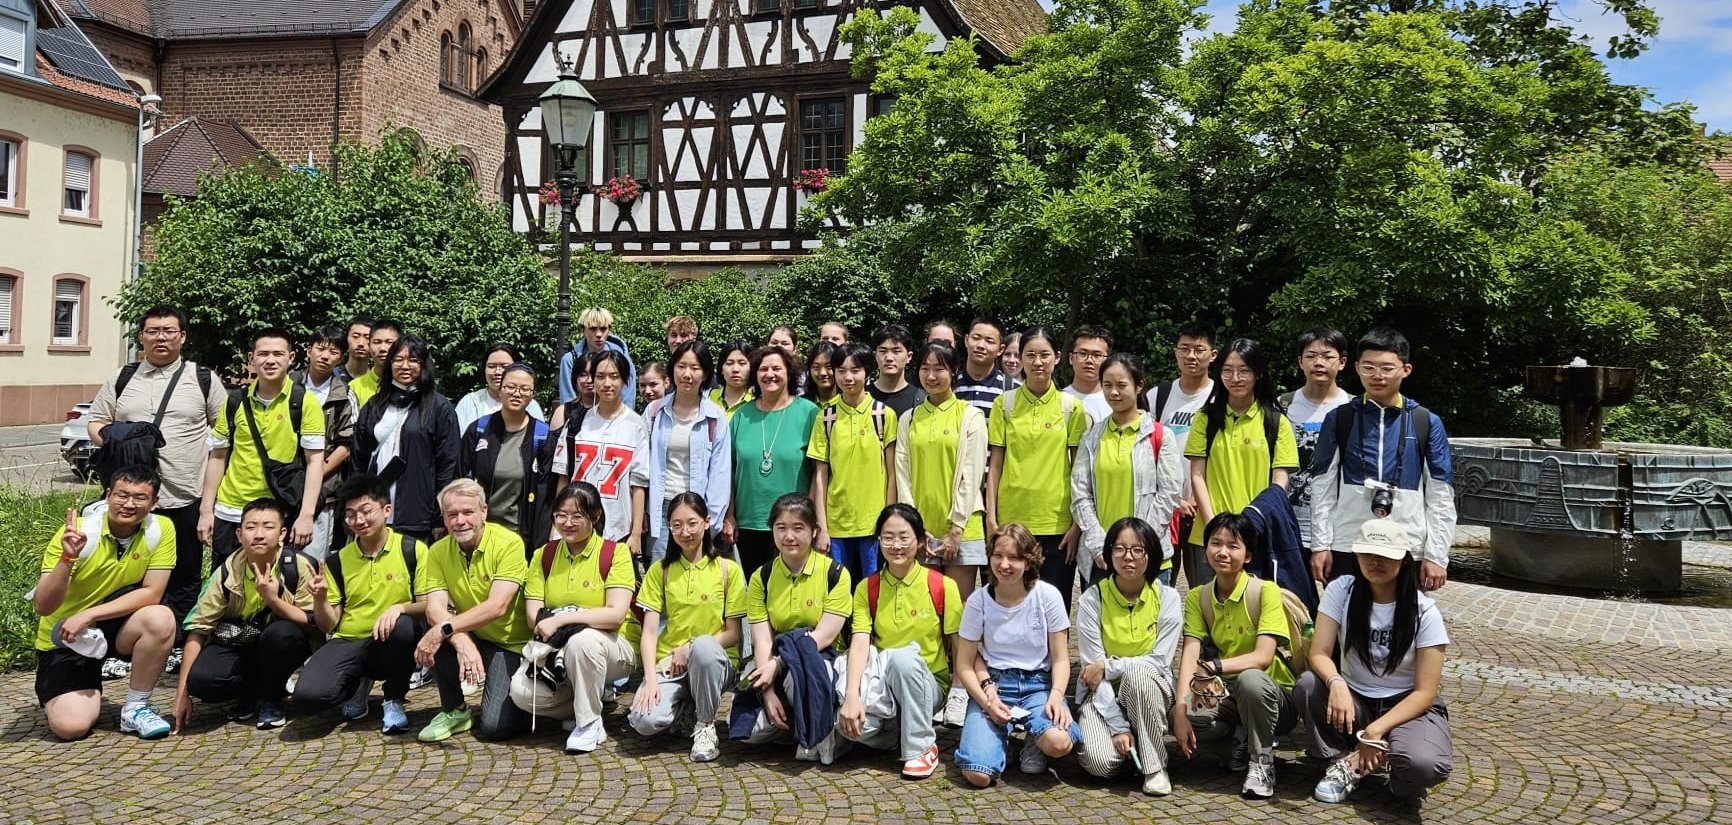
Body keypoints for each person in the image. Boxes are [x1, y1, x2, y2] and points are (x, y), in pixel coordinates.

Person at [85, 304, 225, 643]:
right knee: (128, 573)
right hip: (131, 499)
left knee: (185, 573)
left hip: (183, 495)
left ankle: (176, 640)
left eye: (168, 331)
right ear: (141, 337)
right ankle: (125, 641)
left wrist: (209, 506)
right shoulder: (122, 377)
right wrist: (120, 436)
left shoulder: (202, 378)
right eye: (153, 331)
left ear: (182, 337)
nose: (160, 337)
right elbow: (95, 422)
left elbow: (224, 437)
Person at [1297, 518, 1452, 804]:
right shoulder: (1341, 590)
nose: (1375, 562)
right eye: (1367, 553)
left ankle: (1390, 766)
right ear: (1355, 555)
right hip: (1356, 700)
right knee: (1308, 685)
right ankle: (1344, 762)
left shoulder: (1424, 611)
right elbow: (1318, 651)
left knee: (1423, 766)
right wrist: (1336, 683)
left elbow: (1426, 692)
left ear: (1404, 560)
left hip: (1405, 707)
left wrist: (1375, 731)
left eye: (1385, 556)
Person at [32, 465, 178, 741]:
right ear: (108, 495)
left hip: (112, 628)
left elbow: (152, 593)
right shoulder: (78, 533)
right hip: (66, 635)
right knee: (70, 727)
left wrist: (89, 614)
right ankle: (69, 687)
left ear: (154, 503)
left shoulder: (161, 529)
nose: (129, 504)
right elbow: (43, 606)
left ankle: (135, 708)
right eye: (122, 495)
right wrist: (67, 558)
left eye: (140, 497)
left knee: (160, 617)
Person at [1309, 328, 1455, 591]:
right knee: (1344, 620)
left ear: (1406, 369)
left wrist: (1436, 555)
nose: (1377, 376)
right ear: (1356, 368)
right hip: (1348, 541)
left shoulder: (1425, 422)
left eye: (1387, 368)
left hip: (1406, 542)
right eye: (1368, 368)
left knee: (1402, 623)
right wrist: (1321, 545)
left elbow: (1440, 493)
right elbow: (1323, 486)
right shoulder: (1340, 419)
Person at [1172, 513, 1299, 800]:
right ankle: (1238, 740)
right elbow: (1190, 654)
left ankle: (1261, 761)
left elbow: (1263, 657)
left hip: (1275, 697)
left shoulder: (1265, 591)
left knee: (1250, 679)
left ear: (1249, 555)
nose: (1222, 552)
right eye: (1215, 543)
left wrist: (1214, 666)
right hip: (1228, 695)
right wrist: (1180, 709)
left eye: (1233, 545)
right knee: (1178, 716)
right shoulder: (1197, 597)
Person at [508, 482, 641, 754]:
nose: (567, 523)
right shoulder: (542, 555)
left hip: (615, 647)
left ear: (595, 517)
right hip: (557, 651)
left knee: (584, 641)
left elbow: (615, 615)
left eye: (577, 516)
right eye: (560, 515)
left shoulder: (615, 554)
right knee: (521, 692)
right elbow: (534, 615)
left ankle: (589, 723)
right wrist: (553, 622)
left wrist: (561, 620)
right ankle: (589, 699)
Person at [291, 474, 426, 735]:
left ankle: (393, 698)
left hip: (391, 640)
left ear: (387, 510)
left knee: (406, 628)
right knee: (308, 698)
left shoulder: (412, 549)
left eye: (366, 511)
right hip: (349, 639)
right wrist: (319, 598)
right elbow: (329, 623)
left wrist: (399, 608)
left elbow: (427, 604)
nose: (359, 521)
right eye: (351, 515)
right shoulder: (337, 561)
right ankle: (357, 685)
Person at [838, 504, 962, 779]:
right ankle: (898, 731)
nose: (896, 545)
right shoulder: (866, 588)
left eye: (904, 537)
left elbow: (960, 644)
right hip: (882, 686)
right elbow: (859, 642)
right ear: (878, 541)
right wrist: (852, 696)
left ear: (919, 542)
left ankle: (920, 748)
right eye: (888, 537)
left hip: (928, 685)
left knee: (903, 657)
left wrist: (961, 690)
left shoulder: (942, 585)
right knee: (852, 727)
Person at [172, 498, 318, 731]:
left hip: (284, 643)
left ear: (282, 534)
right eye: (251, 527)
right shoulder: (226, 572)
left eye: (268, 527)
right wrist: (182, 694)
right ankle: (251, 692)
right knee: (202, 681)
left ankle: (272, 697)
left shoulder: (298, 566)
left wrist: (272, 599)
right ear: (239, 534)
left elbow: (314, 623)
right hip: (239, 642)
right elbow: (198, 630)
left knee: (282, 634)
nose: (259, 534)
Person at [953, 524, 1081, 786]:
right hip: (995, 685)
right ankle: (1000, 740)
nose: (1004, 564)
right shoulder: (979, 601)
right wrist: (987, 701)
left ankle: (1036, 738)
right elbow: (964, 663)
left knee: (1058, 743)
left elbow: (1060, 658)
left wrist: (1056, 696)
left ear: (1029, 560)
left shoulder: (1048, 596)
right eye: (998, 556)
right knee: (977, 775)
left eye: (1014, 558)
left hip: (1038, 684)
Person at [629, 493, 747, 761]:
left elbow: (733, 634)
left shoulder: (728, 570)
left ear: (706, 523)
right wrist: (649, 680)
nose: (685, 532)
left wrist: (691, 647)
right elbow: (649, 633)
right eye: (677, 525)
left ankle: (705, 725)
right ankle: (685, 711)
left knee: (704, 647)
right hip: (671, 663)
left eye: (692, 523)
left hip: (715, 662)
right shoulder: (661, 570)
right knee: (643, 721)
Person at [735, 493, 852, 760]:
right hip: (775, 659)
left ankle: (816, 730)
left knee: (795, 674)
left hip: (823, 658)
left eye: (798, 528)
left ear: (814, 532)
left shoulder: (836, 573)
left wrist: (778, 665)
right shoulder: (761, 577)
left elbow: (823, 637)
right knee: (750, 732)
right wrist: (767, 691)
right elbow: (762, 639)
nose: (789, 536)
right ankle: (802, 726)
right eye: (781, 528)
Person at [414, 480, 533, 742]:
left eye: (467, 512)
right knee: (431, 629)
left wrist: (448, 628)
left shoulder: (509, 544)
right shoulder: (437, 551)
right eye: (452, 514)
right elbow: (435, 607)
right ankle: (454, 709)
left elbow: (497, 606)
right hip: (473, 635)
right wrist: (460, 641)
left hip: (510, 644)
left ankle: (526, 703)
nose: (460, 521)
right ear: (443, 518)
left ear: (484, 512)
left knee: (494, 728)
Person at [198, 328, 327, 567]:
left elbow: (315, 462)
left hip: (277, 514)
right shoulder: (235, 401)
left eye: (278, 354)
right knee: (225, 587)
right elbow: (217, 457)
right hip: (231, 511)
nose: (270, 360)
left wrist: (306, 514)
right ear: (251, 359)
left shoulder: (304, 402)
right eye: (263, 353)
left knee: (274, 589)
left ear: (291, 358)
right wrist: (207, 510)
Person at [1073, 517, 1183, 795]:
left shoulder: (1168, 598)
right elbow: (1092, 675)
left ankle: (1155, 767)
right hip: (1103, 697)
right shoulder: (1091, 599)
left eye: (1138, 549)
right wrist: (1119, 727)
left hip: (1150, 690)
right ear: (1108, 554)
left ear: (1151, 554)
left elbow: (1159, 661)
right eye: (1119, 549)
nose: (1128, 557)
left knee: (1138, 673)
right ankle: (1138, 744)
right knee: (1100, 763)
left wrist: (1110, 666)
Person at [987, 327, 1088, 611]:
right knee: (1010, 602)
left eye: (1044, 355)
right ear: (1020, 359)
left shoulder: (1071, 407)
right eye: (1030, 355)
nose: (1037, 362)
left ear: (1057, 358)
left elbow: (1080, 471)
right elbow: (995, 465)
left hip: (1057, 524)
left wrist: (1076, 525)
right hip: (1012, 520)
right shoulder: (1004, 405)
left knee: (1054, 605)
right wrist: (992, 520)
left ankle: (1057, 657)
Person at [1184, 338, 1299, 586]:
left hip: (1257, 536)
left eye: (1244, 370)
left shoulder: (1276, 422)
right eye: (1227, 370)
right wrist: (1214, 527)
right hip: (1207, 536)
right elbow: (1197, 476)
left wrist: (1254, 524)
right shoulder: (1205, 419)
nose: (1235, 378)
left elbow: (1279, 482)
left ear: (1258, 373)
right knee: (1206, 614)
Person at [1071, 354, 1184, 586]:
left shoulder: (1161, 436)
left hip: (1150, 558)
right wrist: (1098, 544)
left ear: (1139, 385)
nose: (1114, 393)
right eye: (1107, 385)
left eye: (1122, 385)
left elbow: (1169, 494)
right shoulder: (1092, 437)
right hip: (1102, 557)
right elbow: (1081, 494)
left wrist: (1140, 544)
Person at [894, 342, 987, 601]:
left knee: (958, 611)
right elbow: (903, 474)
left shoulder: (971, 416)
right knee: (926, 610)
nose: (932, 376)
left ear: (954, 371)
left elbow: (972, 475)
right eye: (925, 368)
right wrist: (914, 525)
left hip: (962, 528)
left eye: (939, 369)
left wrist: (956, 528)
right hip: (922, 529)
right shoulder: (909, 418)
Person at [352, 335, 462, 544]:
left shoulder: (439, 408)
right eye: (398, 359)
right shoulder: (375, 405)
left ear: (424, 365)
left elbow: (448, 464)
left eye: (413, 360)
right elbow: (359, 458)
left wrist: (441, 515)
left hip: (417, 514)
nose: (405, 365)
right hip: (374, 511)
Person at [723, 346, 821, 577]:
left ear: (789, 372)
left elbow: (819, 472)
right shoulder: (741, 415)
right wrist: (729, 515)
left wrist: (814, 519)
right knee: (756, 593)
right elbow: (728, 469)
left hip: (794, 524)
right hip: (749, 522)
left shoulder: (809, 412)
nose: (770, 374)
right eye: (763, 369)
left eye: (777, 368)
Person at [808, 342, 897, 583]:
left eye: (855, 370)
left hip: (873, 524)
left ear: (868, 373)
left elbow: (892, 473)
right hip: (837, 525)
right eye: (841, 370)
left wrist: (888, 522)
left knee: (874, 588)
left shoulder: (883, 415)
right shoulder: (826, 417)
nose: (848, 377)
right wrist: (822, 527)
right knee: (837, 590)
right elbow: (820, 476)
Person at [551, 351, 650, 559]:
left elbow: (638, 484)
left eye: (614, 376)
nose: (607, 383)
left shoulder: (636, 425)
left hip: (618, 528)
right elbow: (563, 476)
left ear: (625, 380)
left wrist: (636, 533)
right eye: (600, 376)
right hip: (575, 524)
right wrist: (556, 524)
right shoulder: (577, 422)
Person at [643, 341, 733, 563]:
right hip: (662, 507)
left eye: (695, 368)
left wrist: (711, 518)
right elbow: (642, 465)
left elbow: (720, 472)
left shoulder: (715, 417)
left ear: (705, 374)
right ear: (672, 370)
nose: (687, 374)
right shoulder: (654, 412)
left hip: (697, 511)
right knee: (661, 574)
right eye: (681, 366)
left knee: (696, 576)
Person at [1147, 320, 1216, 582]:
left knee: (1207, 588)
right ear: (1175, 352)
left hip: (1207, 508)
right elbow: (1146, 455)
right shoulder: (1157, 396)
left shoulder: (1221, 398)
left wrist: (1201, 498)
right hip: (1166, 509)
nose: (1191, 356)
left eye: (1199, 349)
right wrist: (1175, 499)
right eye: (1184, 348)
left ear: (1213, 354)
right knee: (1159, 585)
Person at [461, 363, 554, 549]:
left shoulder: (542, 436)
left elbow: (546, 497)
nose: (517, 393)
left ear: (532, 394)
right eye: (510, 387)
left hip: (519, 538)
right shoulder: (479, 429)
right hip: (480, 535)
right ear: (500, 389)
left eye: (524, 389)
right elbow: (460, 477)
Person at [1282, 328, 1352, 557]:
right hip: (1290, 522)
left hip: (1340, 526)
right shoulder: (1282, 406)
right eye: (1311, 356)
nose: (1318, 362)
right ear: (1300, 362)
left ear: (1342, 362)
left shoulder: (1354, 409)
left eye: (1327, 356)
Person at [291, 325, 358, 561]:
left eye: (333, 352)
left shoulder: (345, 394)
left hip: (324, 490)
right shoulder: (288, 384)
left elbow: (346, 445)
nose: (325, 356)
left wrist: (315, 473)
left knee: (311, 558)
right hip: (281, 482)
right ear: (308, 351)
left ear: (341, 358)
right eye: (320, 349)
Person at [455, 344, 546, 432]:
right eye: (491, 366)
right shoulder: (469, 402)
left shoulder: (530, 405)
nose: (497, 372)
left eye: (504, 366)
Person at [559, 307, 637, 406]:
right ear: (583, 330)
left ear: (609, 329)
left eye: (603, 329)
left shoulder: (622, 358)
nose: (599, 334)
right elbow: (568, 399)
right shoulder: (570, 360)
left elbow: (628, 397)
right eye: (593, 329)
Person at [955, 317, 1013, 416]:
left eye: (989, 341)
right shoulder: (950, 384)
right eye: (976, 338)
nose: (981, 345)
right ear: (966, 340)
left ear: (1000, 349)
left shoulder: (1012, 389)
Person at [1061, 325, 1114, 424]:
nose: (1089, 360)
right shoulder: (1058, 400)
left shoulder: (1116, 401)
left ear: (1107, 361)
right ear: (1071, 358)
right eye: (1083, 354)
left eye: (1097, 355)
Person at [347, 318, 403, 409]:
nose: (383, 348)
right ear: (369, 345)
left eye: (389, 342)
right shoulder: (354, 387)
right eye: (377, 342)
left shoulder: (411, 385)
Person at [869, 324, 923, 416]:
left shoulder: (921, 399)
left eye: (896, 351)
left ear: (909, 357)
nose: (889, 358)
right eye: (883, 351)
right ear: (875, 356)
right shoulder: (861, 396)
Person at [707, 340, 756, 418]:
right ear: (721, 369)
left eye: (742, 363)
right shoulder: (708, 398)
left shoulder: (756, 402)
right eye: (729, 363)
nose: (735, 369)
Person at [333, 315, 375, 384]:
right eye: (355, 336)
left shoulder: (379, 381)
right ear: (346, 338)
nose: (361, 343)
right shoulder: (331, 376)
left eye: (367, 337)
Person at [803, 341, 840, 407]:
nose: (823, 373)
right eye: (816, 367)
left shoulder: (849, 402)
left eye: (829, 367)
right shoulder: (802, 404)